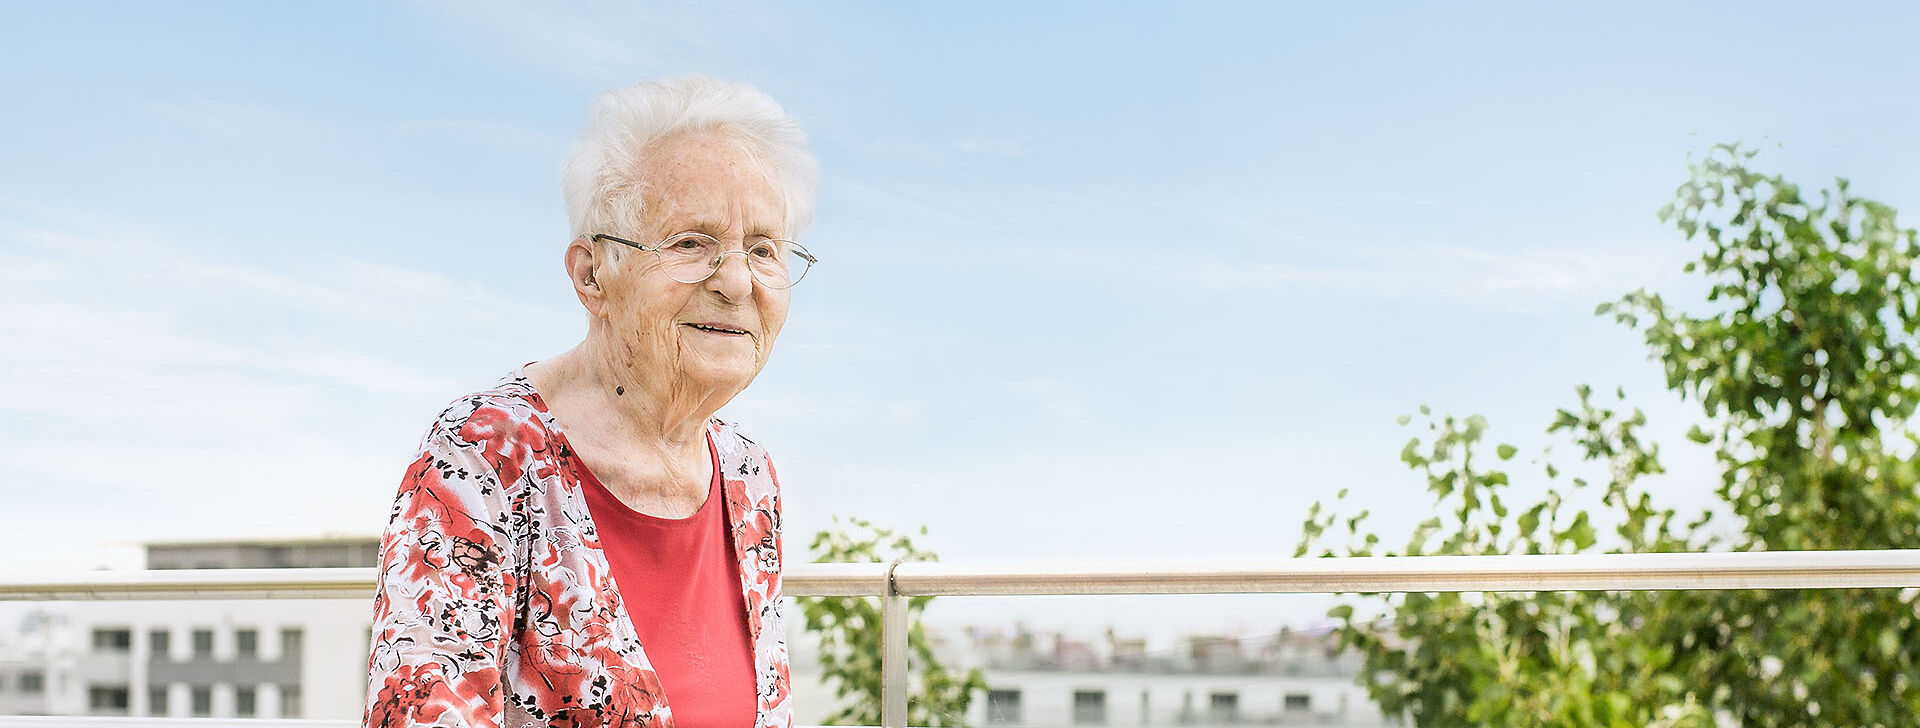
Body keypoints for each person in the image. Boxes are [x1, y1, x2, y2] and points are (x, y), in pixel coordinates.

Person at [363, 75, 817, 728]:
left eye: (764, 250)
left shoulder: (748, 475)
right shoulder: (482, 459)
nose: (738, 282)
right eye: (691, 243)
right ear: (591, 274)